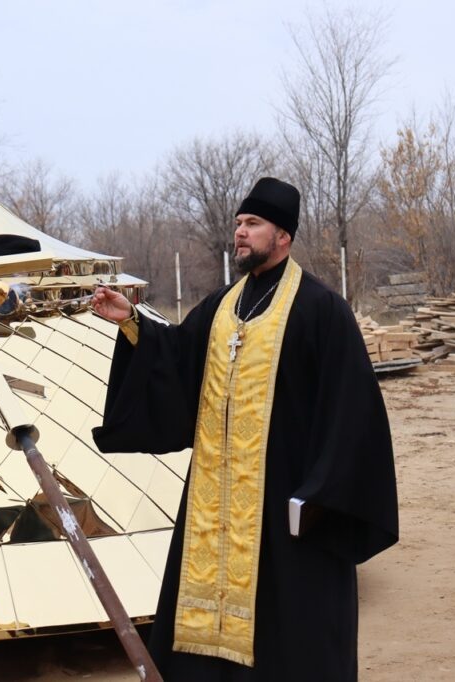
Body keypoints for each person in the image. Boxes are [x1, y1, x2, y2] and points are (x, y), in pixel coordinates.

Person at [90, 177, 398, 681]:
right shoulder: (221, 306)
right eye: (237, 223)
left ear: (283, 236)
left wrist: (318, 495)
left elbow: (352, 413)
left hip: (288, 503)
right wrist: (135, 324)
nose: (240, 233)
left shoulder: (322, 310)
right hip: (216, 502)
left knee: (290, 633)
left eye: (253, 224)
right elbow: (179, 357)